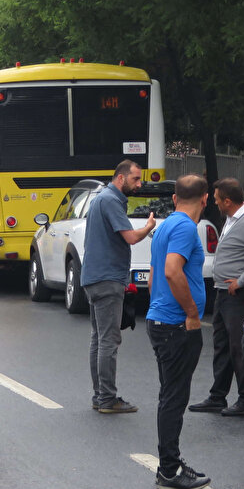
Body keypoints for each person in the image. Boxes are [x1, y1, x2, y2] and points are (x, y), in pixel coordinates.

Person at [145, 173, 211, 489]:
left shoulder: (165, 226)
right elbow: (172, 270)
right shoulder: (186, 227)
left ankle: (169, 465)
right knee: (173, 397)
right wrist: (191, 314)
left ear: (174, 198)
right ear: (205, 199)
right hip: (176, 325)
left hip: (160, 320)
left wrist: (157, 307)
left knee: (169, 394)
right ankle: (169, 470)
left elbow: (154, 274)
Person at [188, 177, 244, 417]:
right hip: (223, 293)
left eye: (217, 200)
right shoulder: (231, 219)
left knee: (239, 347)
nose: (214, 203)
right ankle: (218, 396)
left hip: (239, 294)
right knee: (222, 345)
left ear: (228, 200)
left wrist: (242, 280)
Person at [81, 160, 156, 414]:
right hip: (107, 279)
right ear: (121, 178)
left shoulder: (101, 199)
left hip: (94, 277)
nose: (140, 183)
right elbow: (131, 238)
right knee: (109, 340)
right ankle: (107, 399)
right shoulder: (111, 200)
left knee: (99, 339)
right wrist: (148, 226)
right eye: (136, 179)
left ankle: (99, 395)